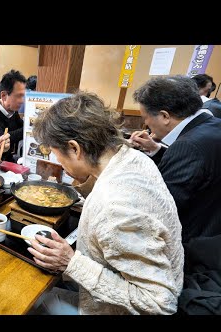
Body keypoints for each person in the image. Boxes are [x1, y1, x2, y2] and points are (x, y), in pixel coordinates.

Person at [29, 91, 184, 315]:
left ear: (74, 148)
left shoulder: (114, 207)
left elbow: (159, 304)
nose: (59, 163)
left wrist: (71, 263)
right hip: (154, 276)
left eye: (56, 155)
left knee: (35, 301)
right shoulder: (133, 157)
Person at [130, 76, 221, 314]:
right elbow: (199, 174)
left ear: (165, 116)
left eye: (146, 117)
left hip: (194, 246)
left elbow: (160, 208)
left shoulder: (188, 147)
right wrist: (157, 150)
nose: (146, 124)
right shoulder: (212, 126)